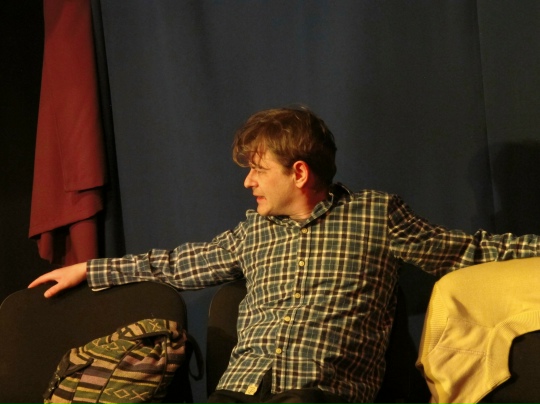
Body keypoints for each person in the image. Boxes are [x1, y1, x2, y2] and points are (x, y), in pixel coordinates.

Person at [29, 106, 540, 404]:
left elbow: (469, 250)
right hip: (241, 390)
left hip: (321, 392)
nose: (247, 182)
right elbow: (177, 263)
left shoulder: (375, 214)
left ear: (298, 172)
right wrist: (89, 268)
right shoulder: (253, 231)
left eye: (258, 170)